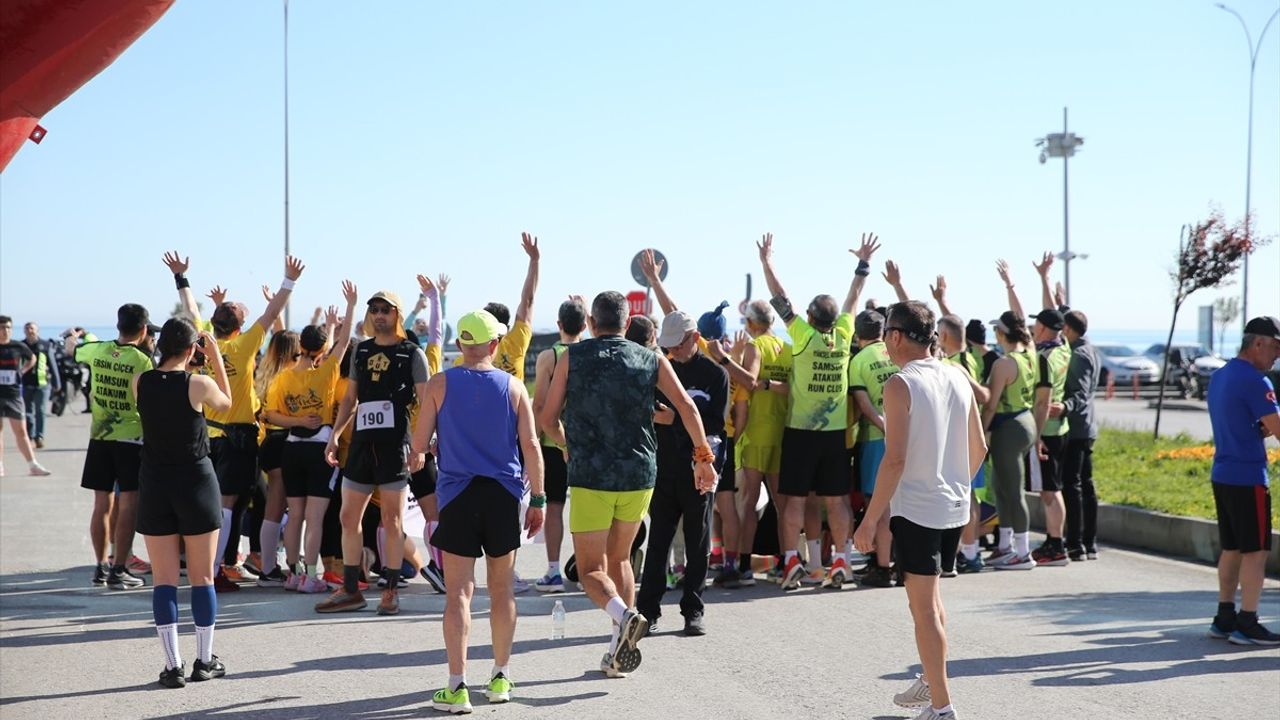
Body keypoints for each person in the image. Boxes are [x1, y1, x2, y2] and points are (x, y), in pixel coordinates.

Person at [539, 290, 717, 678]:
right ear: (626, 323)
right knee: (620, 559)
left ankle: (625, 616)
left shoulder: (572, 358)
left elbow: (547, 417)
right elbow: (686, 406)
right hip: (639, 475)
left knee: (589, 570)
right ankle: (618, 650)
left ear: (590, 324)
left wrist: (568, 445)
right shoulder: (651, 358)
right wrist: (703, 459)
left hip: (591, 476)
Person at [854, 301, 987, 720]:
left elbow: (894, 460)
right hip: (952, 505)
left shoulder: (900, 384)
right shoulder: (958, 376)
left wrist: (870, 519)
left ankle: (942, 707)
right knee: (929, 600)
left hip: (917, 508)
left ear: (894, 336)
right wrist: (953, 481)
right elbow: (980, 447)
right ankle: (932, 681)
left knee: (923, 608)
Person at [410, 310, 545, 713]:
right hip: (503, 494)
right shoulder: (514, 386)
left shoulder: (439, 384)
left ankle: (457, 686)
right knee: (501, 589)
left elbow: (418, 444)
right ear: (494, 344)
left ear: (462, 344)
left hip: (457, 494)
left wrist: (430, 450)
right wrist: (538, 499)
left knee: (459, 594)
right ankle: (500, 677)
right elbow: (533, 447)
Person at [166, 251, 304, 592]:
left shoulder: (203, 340)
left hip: (207, 435)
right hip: (237, 438)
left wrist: (181, 277)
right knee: (227, 506)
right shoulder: (244, 346)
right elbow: (272, 313)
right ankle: (213, 571)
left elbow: (191, 310)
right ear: (241, 325)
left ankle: (219, 564)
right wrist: (290, 281)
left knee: (219, 503)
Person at [757, 232, 880, 591]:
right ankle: (841, 562)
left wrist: (767, 262)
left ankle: (793, 562)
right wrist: (862, 264)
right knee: (837, 499)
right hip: (834, 434)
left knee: (793, 498)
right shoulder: (844, 334)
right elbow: (854, 297)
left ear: (810, 317)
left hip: (800, 431)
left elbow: (780, 299)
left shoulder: (803, 336)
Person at [133, 317, 233, 688]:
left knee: (164, 580)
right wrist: (218, 358)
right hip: (196, 483)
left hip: (156, 482)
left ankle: (172, 665)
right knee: (202, 576)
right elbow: (227, 404)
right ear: (193, 349)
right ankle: (204, 660)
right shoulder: (199, 384)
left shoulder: (140, 382)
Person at [317, 290, 429, 616]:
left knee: (391, 521)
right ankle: (351, 589)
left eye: (386, 310)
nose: (379, 315)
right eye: (375, 310)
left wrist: (422, 445)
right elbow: (350, 399)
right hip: (362, 445)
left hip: (395, 446)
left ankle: (391, 591)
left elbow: (426, 402)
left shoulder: (411, 354)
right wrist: (334, 436)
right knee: (348, 517)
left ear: (397, 313)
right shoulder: (361, 351)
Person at [636, 311, 727, 636]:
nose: (673, 351)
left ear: (694, 338)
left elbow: (716, 425)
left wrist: (678, 420)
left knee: (697, 541)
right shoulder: (662, 368)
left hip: (699, 470)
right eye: (668, 346)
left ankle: (693, 609)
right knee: (659, 540)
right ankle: (647, 611)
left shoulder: (715, 374)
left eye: (678, 344)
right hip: (663, 469)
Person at [263, 282, 357, 593]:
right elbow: (343, 344)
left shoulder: (284, 376)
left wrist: (296, 420)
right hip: (320, 450)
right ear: (322, 350)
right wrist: (350, 306)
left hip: (292, 449)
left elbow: (269, 415)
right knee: (315, 518)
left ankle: (292, 573)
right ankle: (311, 575)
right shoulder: (326, 371)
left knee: (296, 514)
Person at [64, 306, 155, 588]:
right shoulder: (142, 361)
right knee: (129, 503)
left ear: (118, 326)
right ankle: (119, 569)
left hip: (99, 437)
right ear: (143, 331)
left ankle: (101, 566)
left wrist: (72, 335)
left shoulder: (98, 350)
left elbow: (71, 349)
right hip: (131, 439)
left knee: (101, 503)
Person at [1205, 316, 1280, 646]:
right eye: (1276, 347)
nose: (1277, 356)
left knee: (1232, 548)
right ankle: (1247, 621)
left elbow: (1238, 421)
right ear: (1258, 343)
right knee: (1256, 552)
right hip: (1249, 475)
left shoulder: (1219, 376)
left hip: (1222, 473)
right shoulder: (1256, 381)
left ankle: (1224, 617)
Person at [1008, 255, 1073, 567]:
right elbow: (1055, 314)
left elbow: (1043, 401)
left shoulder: (1044, 356)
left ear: (1044, 329)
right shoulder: (1063, 348)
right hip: (1060, 429)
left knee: (1049, 491)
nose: (1032, 326)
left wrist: (1035, 437)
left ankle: (1055, 545)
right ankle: (1056, 542)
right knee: (1053, 487)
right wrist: (1044, 278)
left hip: (1046, 430)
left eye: (1037, 324)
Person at [981, 305, 1050, 571]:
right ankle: (1006, 545)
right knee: (1001, 486)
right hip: (1024, 421)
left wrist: (981, 432)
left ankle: (1022, 551)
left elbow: (991, 403)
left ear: (1001, 333)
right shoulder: (1029, 356)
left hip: (1008, 425)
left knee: (1013, 489)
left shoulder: (1004, 363)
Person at [531, 296, 588, 594]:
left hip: (553, 443)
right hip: (586, 444)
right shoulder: (593, 354)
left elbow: (540, 406)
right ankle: (588, 569)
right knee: (586, 508)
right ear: (585, 325)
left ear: (558, 325)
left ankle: (554, 572)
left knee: (554, 507)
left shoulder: (549, 357)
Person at [734, 300, 791, 585]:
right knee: (782, 504)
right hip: (781, 432)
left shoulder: (754, 347)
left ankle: (744, 566)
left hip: (757, 430)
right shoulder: (788, 348)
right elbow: (793, 388)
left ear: (753, 324)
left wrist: (725, 361)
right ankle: (785, 561)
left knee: (749, 501)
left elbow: (751, 381)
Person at [848, 308, 900, 587]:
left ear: (857, 335)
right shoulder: (896, 352)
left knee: (878, 503)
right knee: (903, 504)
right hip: (907, 435)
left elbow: (863, 403)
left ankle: (882, 567)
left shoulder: (859, 360)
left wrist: (883, 425)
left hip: (875, 438)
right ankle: (901, 563)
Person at [1055, 309, 1101, 562]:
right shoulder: (1090, 348)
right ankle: (1088, 542)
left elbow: (1080, 393)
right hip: (1087, 426)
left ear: (1069, 330)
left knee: (1073, 485)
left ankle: (1076, 543)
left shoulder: (1079, 354)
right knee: (1085, 483)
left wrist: (1064, 407)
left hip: (1077, 427)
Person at [0, 316, 51, 477]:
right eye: (2, 327)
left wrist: (22, 371)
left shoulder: (18, 346)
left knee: (21, 431)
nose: (5, 330)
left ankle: (33, 465)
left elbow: (33, 358)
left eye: (8, 327)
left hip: (13, 395)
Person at [20, 322, 60, 449]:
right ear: (24, 331)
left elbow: (53, 364)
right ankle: (30, 437)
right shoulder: (21, 346)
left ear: (37, 331)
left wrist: (56, 382)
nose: (29, 330)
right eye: (27, 328)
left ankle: (39, 437)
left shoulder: (45, 345)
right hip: (26, 384)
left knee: (41, 411)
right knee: (28, 412)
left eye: (32, 328)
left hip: (42, 384)